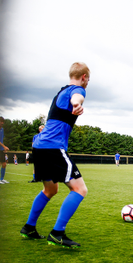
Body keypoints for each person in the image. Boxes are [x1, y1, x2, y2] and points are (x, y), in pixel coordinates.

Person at [20, 62, 90, 248]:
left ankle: (29, 228)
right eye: (88, 79)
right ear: (84, 77)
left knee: (51, 190)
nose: (87, 83)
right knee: (80, 189)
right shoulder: (77, 90)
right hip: (52, 147)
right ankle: (57, 233)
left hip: (40, 146)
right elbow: (77, 97)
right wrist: (77, 104)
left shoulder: (60, 92)